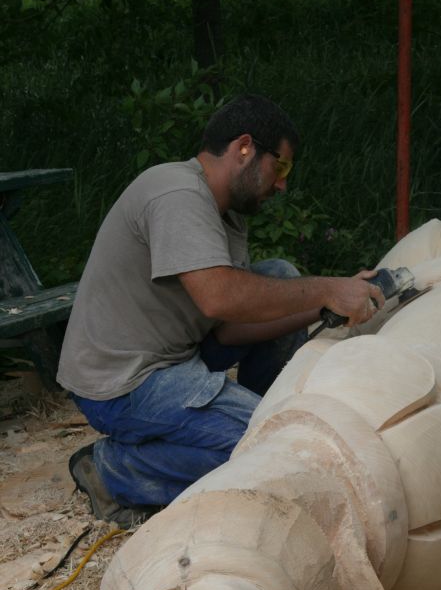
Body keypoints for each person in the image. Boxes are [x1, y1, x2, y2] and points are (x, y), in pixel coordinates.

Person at [57, 93, 384, 527]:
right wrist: (326, 288)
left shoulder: (226, 213)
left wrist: (321, 306)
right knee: (279, 450)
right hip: (122, 382)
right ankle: (113, 469)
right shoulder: (176, 194)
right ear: (244, 147)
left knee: (282, 276)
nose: (282, 183)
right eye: (281, 167)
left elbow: (229, 329)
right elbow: (221, 297)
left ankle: (262, 410)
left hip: (175, 353)